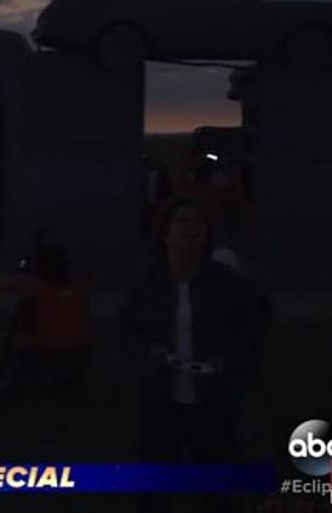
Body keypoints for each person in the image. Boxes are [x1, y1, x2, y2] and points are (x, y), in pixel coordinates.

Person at [120, 195, 267, 513]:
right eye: (182, 221)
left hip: (215, 401)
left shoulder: (229, 284)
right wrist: (148, 354)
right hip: (160, 400)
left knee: (218, 489)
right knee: (156, 488)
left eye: (198, 222)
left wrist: (228, 359)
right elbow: (126, 331)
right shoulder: (146, 284)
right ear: (165, 232)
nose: (191, 228)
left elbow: (251, 332)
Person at [0, 243, 90, 396]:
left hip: (43, 343)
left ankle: (7, 382)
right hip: (75, 344)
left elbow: (4, 288)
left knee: (18, 339)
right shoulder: (79, 290)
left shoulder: (34, 288)